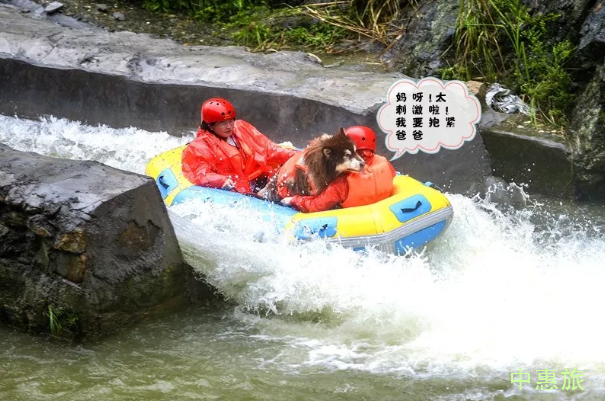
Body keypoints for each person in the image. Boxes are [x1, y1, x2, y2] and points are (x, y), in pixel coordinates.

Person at [181, 98, 298, 195]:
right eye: (222, 123)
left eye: (230, 121)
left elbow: (269, 149)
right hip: (238, 191)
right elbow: (201, 174)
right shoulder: (199, 147)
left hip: (262, 181)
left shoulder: (242, 127)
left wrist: (295, 155)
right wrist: (221, 181)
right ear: (210, 126)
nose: (229, 127)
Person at [282, 126, 396, 213]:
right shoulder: (385, 163)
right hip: (381, 211)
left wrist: (293, 200)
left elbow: (316, 205)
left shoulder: (340, 185)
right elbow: (393, 176)